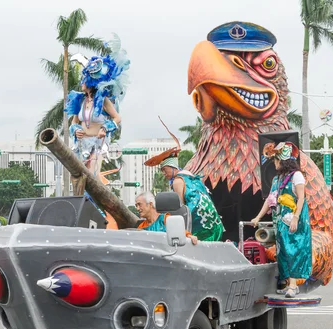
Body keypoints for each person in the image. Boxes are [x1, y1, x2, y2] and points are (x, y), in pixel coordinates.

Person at [251, 142, 311, 298]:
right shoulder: (277, 180)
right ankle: (288, 283)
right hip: (279, 220)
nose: (275, 164)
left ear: (283, 161)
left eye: (276, 160)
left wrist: (296, 218)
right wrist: (258, 217)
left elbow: (301, 198)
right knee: (282, 251)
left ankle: (293, 285)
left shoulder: (296, 176)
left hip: (292, 218)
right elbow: (269, 200)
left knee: (293, 250)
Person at [66, 34, 129, 179]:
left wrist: (105, 129)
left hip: (98, 143)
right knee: (80, 176)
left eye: (84, 80)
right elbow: (74, 122)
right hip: (82, 144)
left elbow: (117, 118)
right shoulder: (80, 100)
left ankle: (91, 201)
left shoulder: (102, 100)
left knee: (92, 174)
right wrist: (75, 130)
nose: (82, 83)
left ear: (90, 82)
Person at [144, 131, 224, 242]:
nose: (163, 173)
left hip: (199, 228)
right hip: (215, 225)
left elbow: (179, 209)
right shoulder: (191, 177)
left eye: (164, 169)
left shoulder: (178, 180)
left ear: (172, 166)